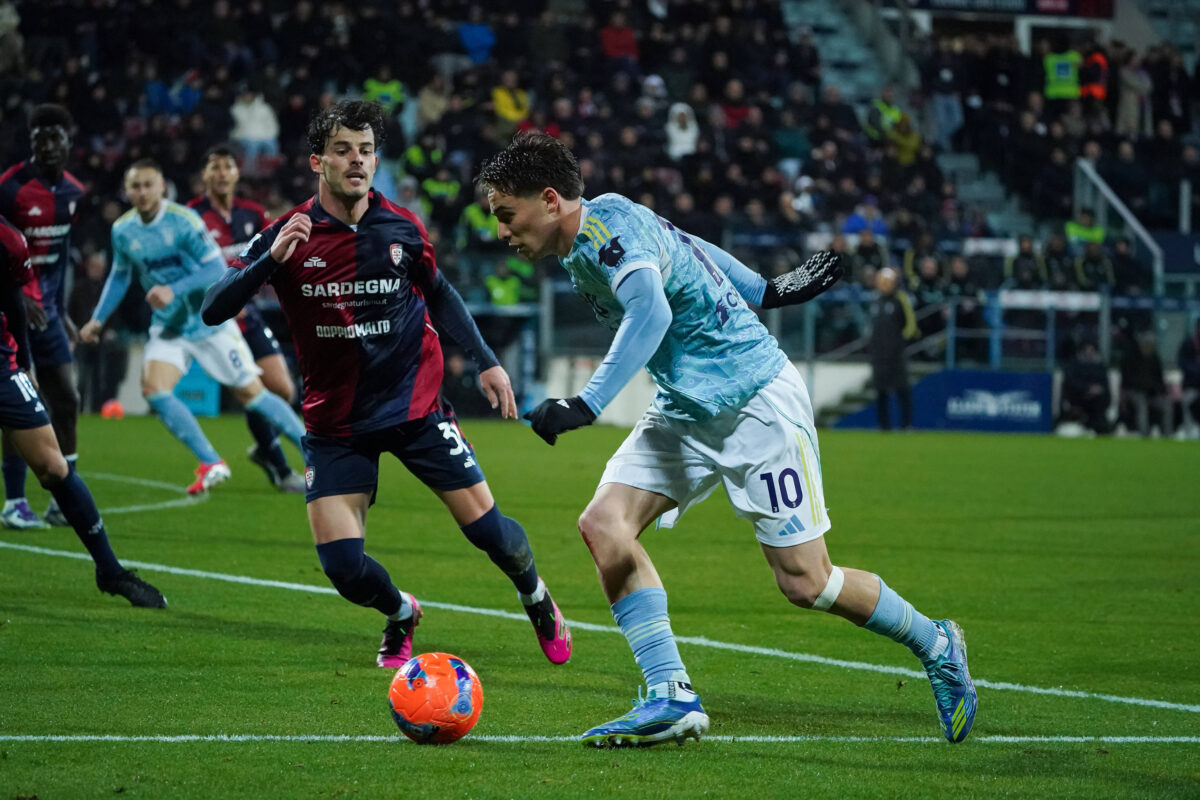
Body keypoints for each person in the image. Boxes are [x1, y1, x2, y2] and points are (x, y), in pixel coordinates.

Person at [477, 131, 976, 747]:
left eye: (506, 214)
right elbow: (690, 247)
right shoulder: (605, 222)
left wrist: (588, 402)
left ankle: (937, 642)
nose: (501, 232)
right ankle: (670, 696)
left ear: (550, 200)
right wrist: (764, 288)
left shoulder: (606, 237)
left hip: (754, 404)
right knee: (604, 524)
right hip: (686, 408)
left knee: (805, 581)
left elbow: (652, 314)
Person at [200, 100, 572, 670]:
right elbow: (212, 308)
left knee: (492, 535)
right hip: (336, 423)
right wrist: (268, 262)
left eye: (367, 151)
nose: (357, 161)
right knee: (344, 570)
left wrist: (486, 360)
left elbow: (441, 293)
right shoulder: (287, 234)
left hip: (416, 406)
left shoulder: (401, 227)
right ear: (316, 161)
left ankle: (537, 598)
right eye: (344, 150)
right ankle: (401, 613)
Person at [79, 160, 306, 495]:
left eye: (148, 185)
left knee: (253, 394)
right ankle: (211, 462)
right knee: (154, 390)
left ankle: (316, 454)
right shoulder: (123, 230)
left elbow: (214, 267)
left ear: (161, 187)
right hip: (170, 326)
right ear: (127, 191)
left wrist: (174, 288)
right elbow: (120, 274)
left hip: (208, 322)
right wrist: (98, 319)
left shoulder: (183, 222)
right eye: (135, 187)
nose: (142, 193)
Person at [1, 213, 166, 607]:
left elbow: (14, 304)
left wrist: (24, 363)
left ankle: (109, 570)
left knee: (55, 468)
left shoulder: (9, 241)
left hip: (1, 365)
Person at [188, 144, 304, 493]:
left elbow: (278, 253)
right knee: (253, 392)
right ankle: (281, 468)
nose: (222, 173)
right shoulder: (192, 216)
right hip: (214, 322)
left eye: (227, 167)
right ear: (205, 175)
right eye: (215, 167)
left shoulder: (253, 214)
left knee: (282, 389)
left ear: (237, 174)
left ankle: (265, 446)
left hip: (248, 315)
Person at [0, 104, 85, 529]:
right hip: (12, 310)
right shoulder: (10, 188)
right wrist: (16, 295)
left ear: (69, 142)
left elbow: (61, 255)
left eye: (55, 137)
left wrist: (63, 310)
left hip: (48, 313)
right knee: (20, 404)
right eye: (40, 139)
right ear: (31, 143)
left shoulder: (73, 192)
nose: (48, 145)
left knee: (67, 400)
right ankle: (15, 501)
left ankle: (60, 501)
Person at [869, 267, 920, 430]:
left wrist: (898, 343)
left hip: (896, 354)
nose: (883, 285)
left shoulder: (900, 299)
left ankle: (906, 424)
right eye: (881, 282)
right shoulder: (875, 301)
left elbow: (911, 325)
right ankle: (884, 426)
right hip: (878, 355)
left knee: (902, 389)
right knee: (881, 391)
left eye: (887, 282)